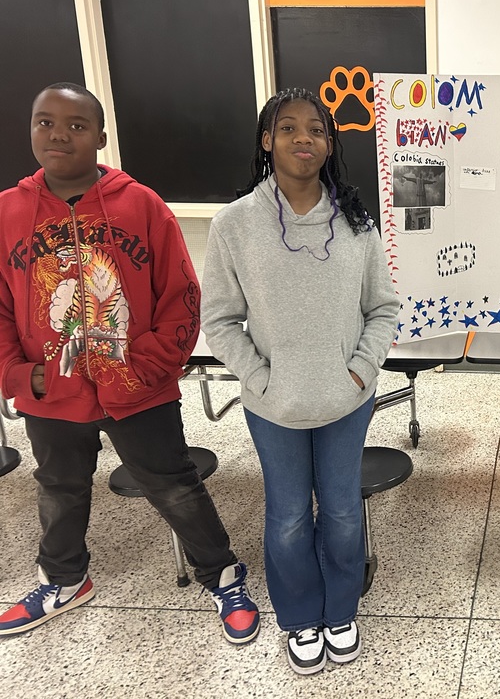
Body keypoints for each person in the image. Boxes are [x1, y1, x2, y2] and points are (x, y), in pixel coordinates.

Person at [0, 83, 260, 644]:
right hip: (51, 392)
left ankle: (222, 575)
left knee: (175, 486)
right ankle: (64, 579)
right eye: (45, 122)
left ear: (100, 136)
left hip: (138, 390)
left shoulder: (140, 204)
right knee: (58, 486)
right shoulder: (8, 212)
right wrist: (22, 376)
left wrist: (149, 367)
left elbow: (181, 297)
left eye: (75, 125)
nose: (58, 135)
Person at [201, 88, 400, 675]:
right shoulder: (235, 224)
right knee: (287, 513)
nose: (303, 139)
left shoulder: (357, 221)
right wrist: (259, 377)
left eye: (316, 129)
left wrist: (360, 369)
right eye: (288, 128)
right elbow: (219, 320)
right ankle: (299, 617)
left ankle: (341, 610)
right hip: (273, 404)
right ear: (267, 141)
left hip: (346, 399)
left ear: (330, 143)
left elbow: (383, 308)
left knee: (340, 510)